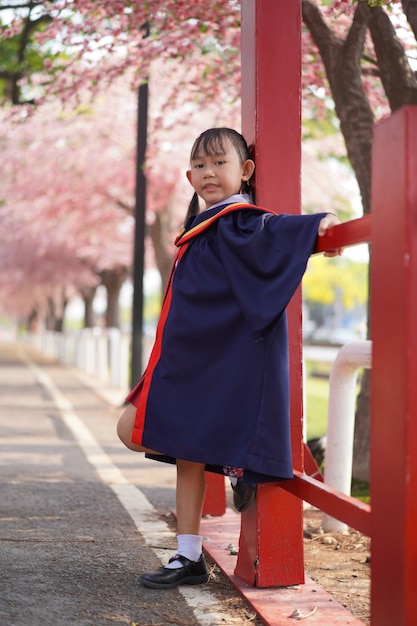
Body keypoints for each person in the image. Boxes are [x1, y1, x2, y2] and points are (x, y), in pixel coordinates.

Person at [117, 127, 342, 590]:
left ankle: (231, 475)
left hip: (213, 362)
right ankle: (188, 554)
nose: (208, 173)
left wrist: (316, 226)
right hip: (191, 358)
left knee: (167, 438)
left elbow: (270, 229)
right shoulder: (203, 227)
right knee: (171, 445)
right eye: (199, 165)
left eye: (219, 163)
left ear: (245, 171)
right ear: (188, 175)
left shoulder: (236, 220)